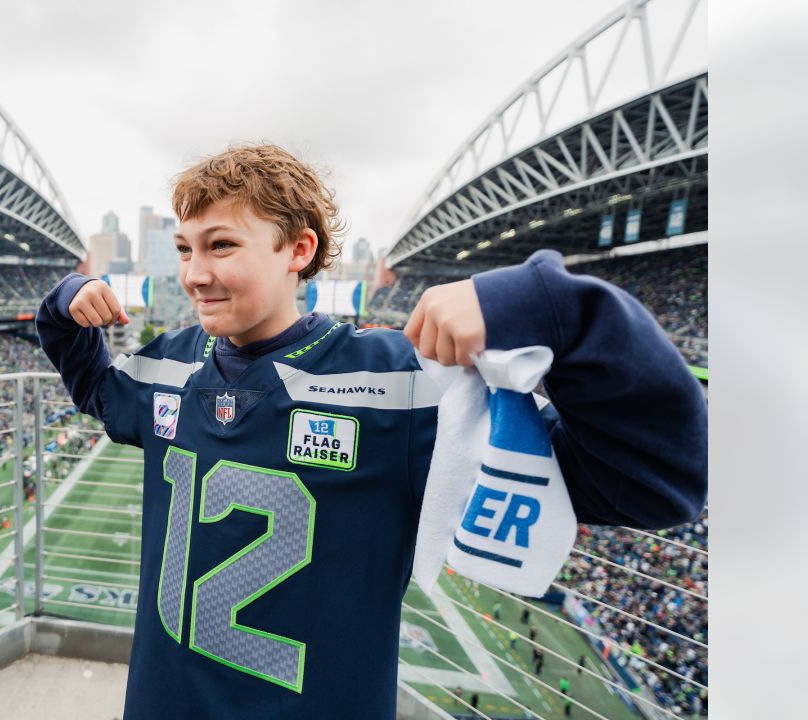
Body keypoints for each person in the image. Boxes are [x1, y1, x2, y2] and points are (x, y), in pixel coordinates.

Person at [35, 144, 706, 720]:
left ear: (298, 250)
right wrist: (65, 306)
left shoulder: (404, 386)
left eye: (221, 245)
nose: (194, 273)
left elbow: (657, 482)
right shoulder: (171, 360)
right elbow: (97, 388)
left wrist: (560, 309)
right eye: (185, 247)